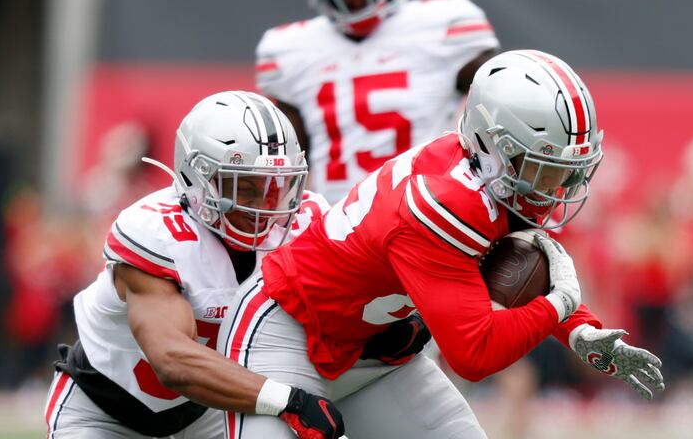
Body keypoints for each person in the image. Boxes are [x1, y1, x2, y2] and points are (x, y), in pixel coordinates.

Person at [218, 50, 666, 438]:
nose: (559, 188)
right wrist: (561, 305)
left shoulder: (484, 175)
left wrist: (581, 331)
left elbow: (523, 273)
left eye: (569, 172)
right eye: (545, 169)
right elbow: (475, 353)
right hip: (289, 334)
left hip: (373, 351)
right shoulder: (445, 204)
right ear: (495, 146)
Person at [44, 91, 426, 439]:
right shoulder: (155, 232)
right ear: (195, 178)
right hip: (107, 411)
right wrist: (288, 400)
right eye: (243, 186)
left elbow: (330, 314)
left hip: (209, 410)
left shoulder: (304, 221)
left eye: (276, 185)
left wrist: (377, 332)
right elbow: (173, 361)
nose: (263, 205)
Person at [256, 0, 500, 204]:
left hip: (425, 207)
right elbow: (290, 159)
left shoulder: (443, 23)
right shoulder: (289, 49)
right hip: (337, 218)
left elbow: (497, 105)